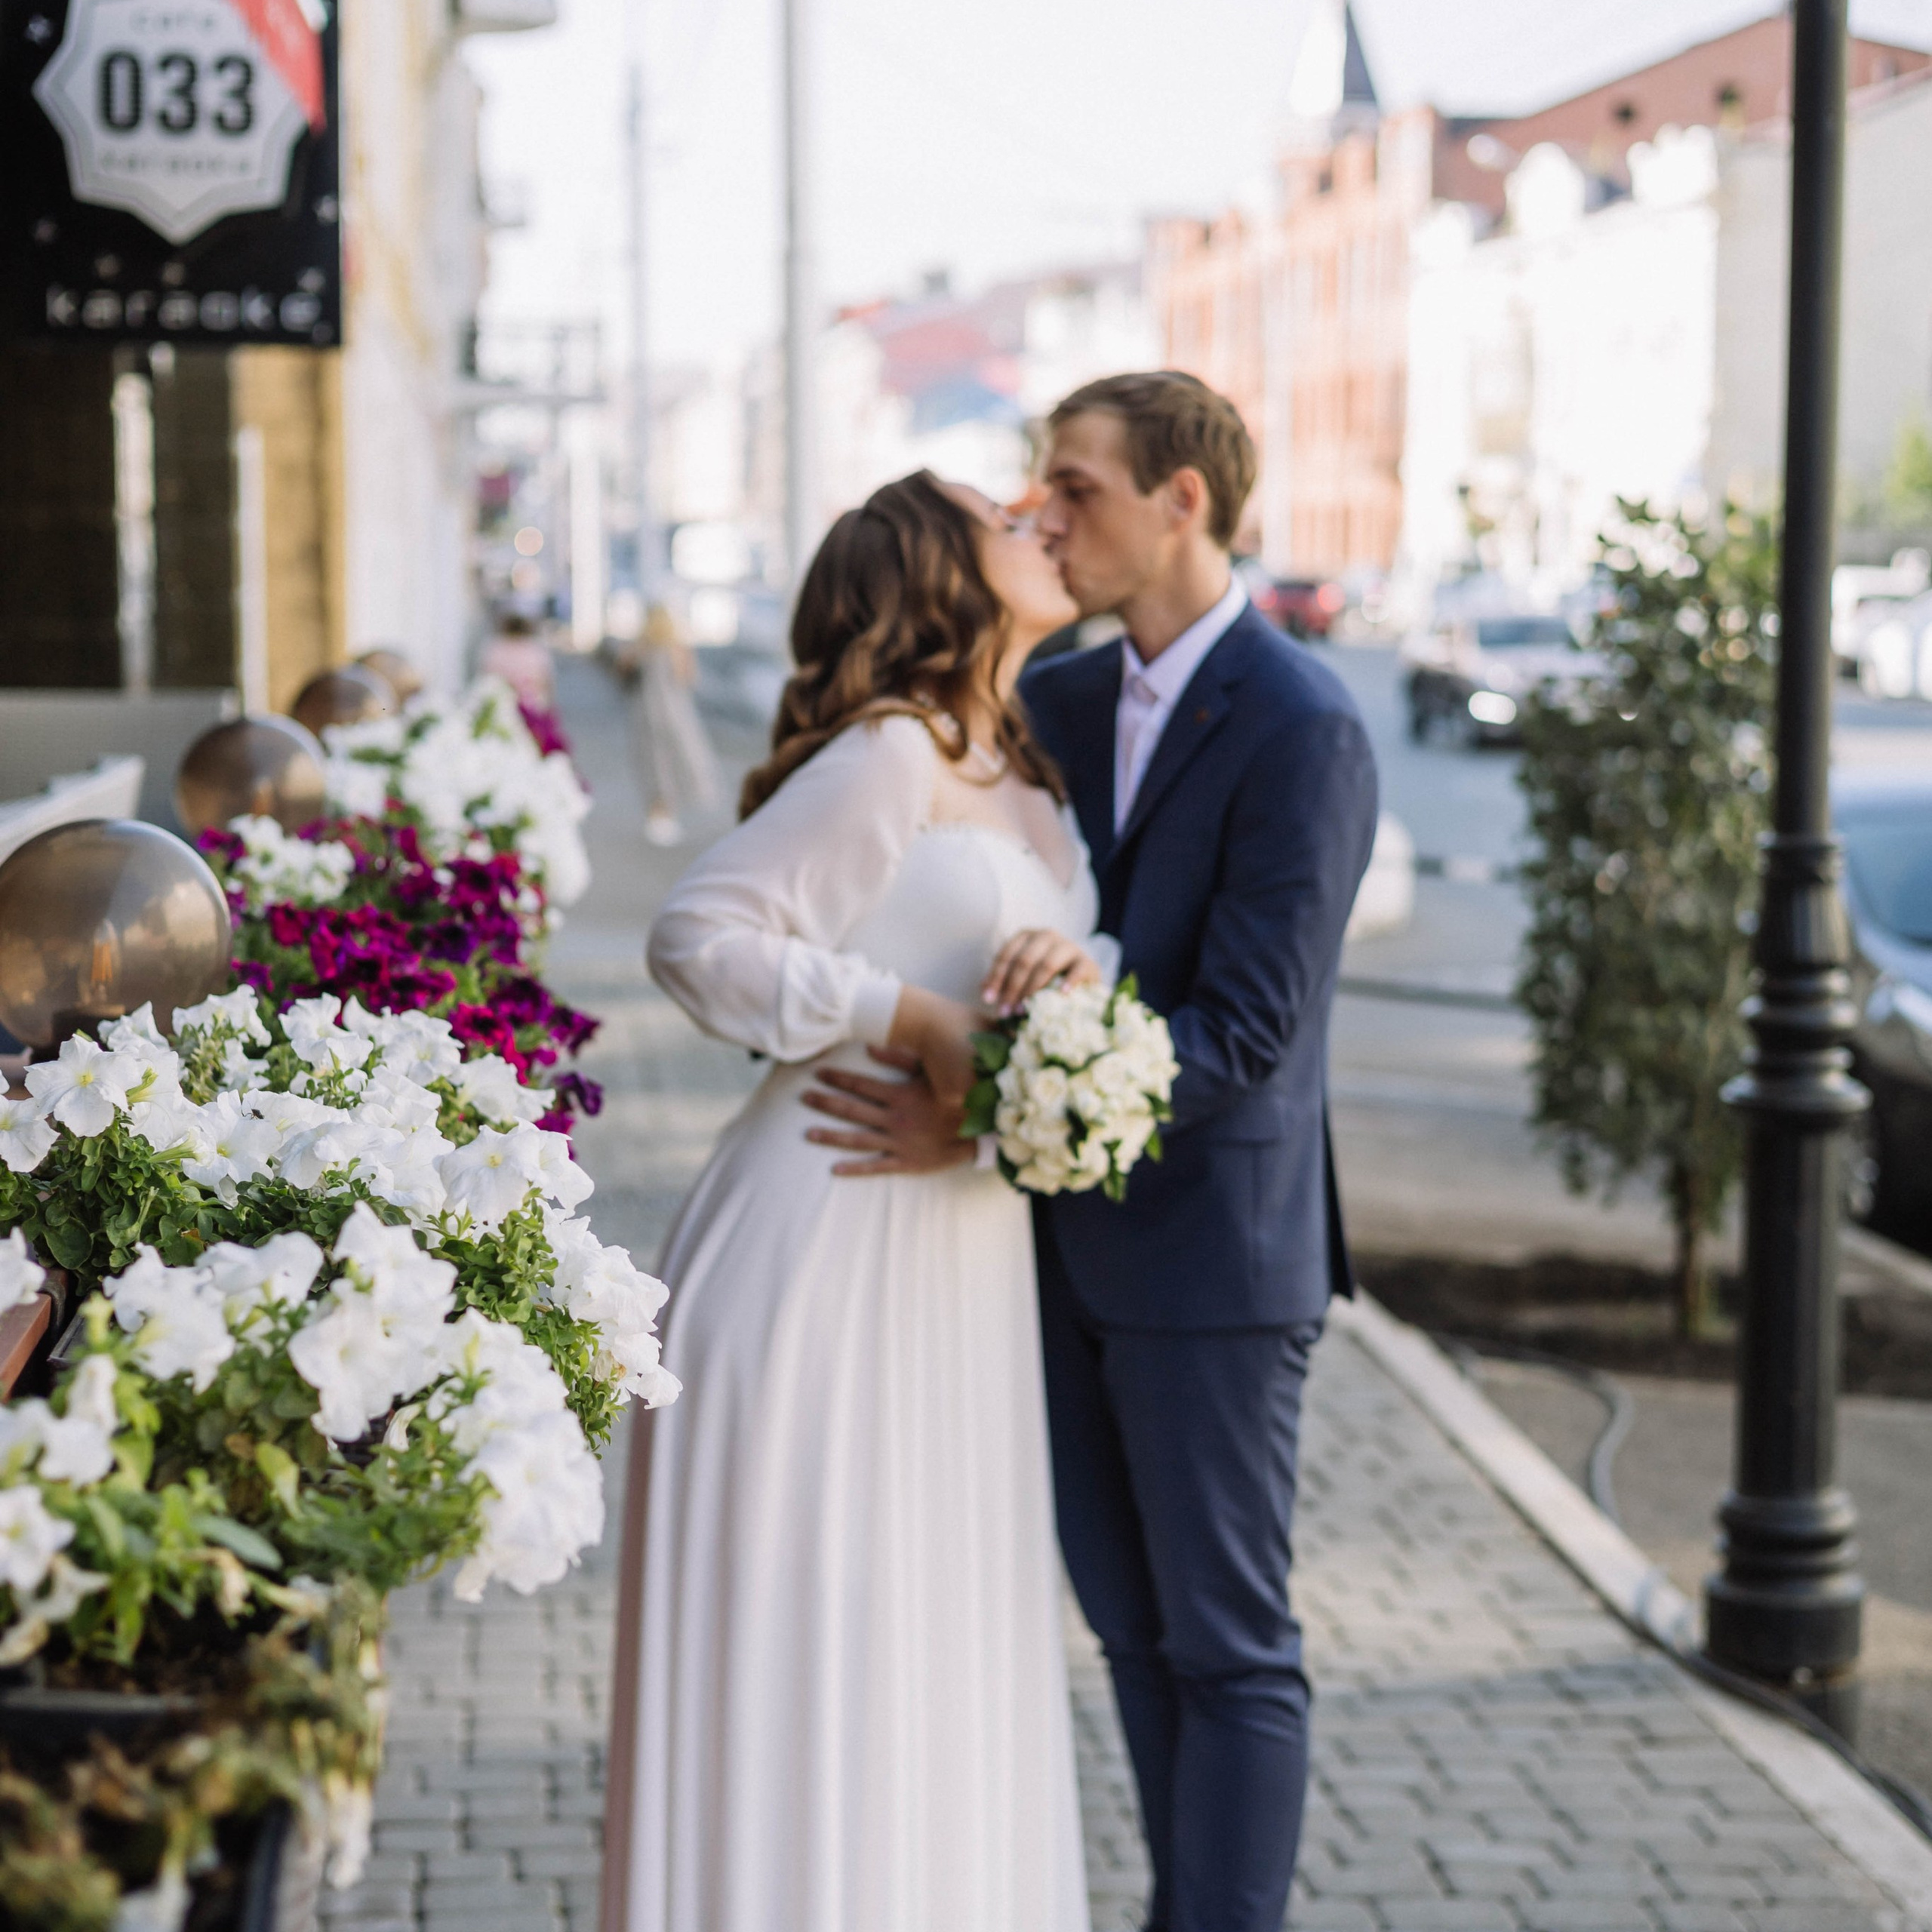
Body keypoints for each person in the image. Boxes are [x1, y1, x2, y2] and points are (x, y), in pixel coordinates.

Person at [804, 372, 1380, 1932]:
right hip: (1039, 1246)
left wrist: (985, 1097)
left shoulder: (1302, 727)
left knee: (1228, 1640)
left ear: (1182, 499)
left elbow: (1245, 1029)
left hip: (1212, 1257)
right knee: (1127, 1625)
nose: (1046, 516)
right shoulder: (1049, 702)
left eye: (1076, 487)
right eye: (1037, 490)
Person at [601, 472, 1104, 1932]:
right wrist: (909, 1021)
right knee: (824, 1653)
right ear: (943, 571)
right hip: (821, 1242)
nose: (1037, 516)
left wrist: (1078, 988)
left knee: (945, 1653)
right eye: (1003, 514)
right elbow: (697, 938)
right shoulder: (892, 752)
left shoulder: (1026, 761)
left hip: (959, 1253)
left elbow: (1041, 953)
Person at [623, 600, 721, 847]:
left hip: (646, 711)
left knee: (654, 763)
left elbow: (623, 675)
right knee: (678, 759)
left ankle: (658, 814)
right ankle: (668, 815)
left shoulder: (640, 647)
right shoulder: (677, 648)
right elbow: (689, 679)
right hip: (676, 712)